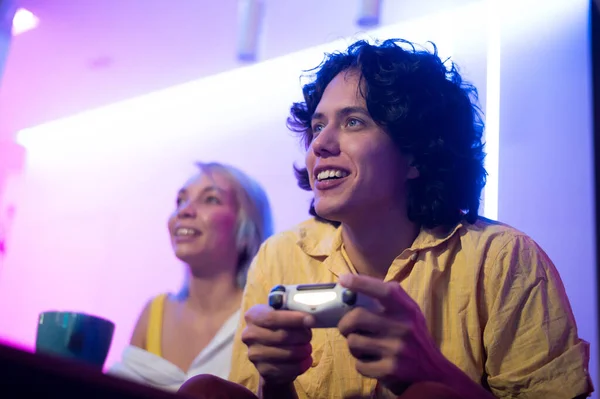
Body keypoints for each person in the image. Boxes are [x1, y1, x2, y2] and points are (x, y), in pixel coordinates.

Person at [188, 39, 593, 399]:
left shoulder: (503, 259)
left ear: (416, 155)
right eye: (317, 126)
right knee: (203, 390)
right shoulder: (279, 255)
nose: (321, 145)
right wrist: (276, 383)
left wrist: (428, 369)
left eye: (353, 122)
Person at [108, 162, 274, 391]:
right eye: (180, 200)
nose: (184, 210)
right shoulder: (154, 312)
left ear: (246, 230)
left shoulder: (261, 317)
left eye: (210, 199)